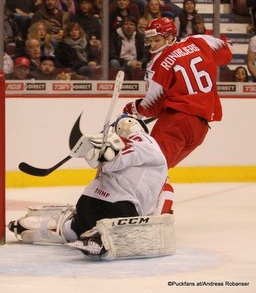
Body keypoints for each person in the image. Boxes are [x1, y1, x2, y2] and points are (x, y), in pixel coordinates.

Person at [8, 115, 174, 259]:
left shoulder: (137, 148)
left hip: (87, 202)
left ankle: (41, 227)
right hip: (116, 207)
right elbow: (121, 159)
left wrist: (102, 153)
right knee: (123, 233)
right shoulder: (146, 141)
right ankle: (99, 237)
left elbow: (112, 163)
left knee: (74, 228)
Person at [123, 17, 232, 196]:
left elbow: (152, 106)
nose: (152, 45)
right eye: (150, 40)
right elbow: (226, 53)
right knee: (160, 168)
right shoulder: (199, 41)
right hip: (200, 127)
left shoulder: (158, 63)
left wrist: (134, 108)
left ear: (170, 37)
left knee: (151, 167)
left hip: (177, 122)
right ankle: (153, 207)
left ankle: (148, 208)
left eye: (157, 39)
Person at [109, 15, 148, 79]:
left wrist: (140, 62)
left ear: (135, 27)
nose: (128, 27)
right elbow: (112, 55)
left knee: (148, 63)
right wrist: (128, 63)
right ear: (122, 26)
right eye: (126, 24)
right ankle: (117, 82)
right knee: (114, 62)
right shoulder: (114, 36)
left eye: (131, 24)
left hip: (136, 63)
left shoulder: (139, 37)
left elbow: (144, 54)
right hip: (121, 63)